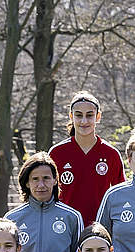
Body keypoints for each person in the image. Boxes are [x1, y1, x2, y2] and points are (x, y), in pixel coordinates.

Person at [5, 152, 82, 252]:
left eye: (46, 178)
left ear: (54, 180)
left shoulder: (72, 217)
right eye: (35, 179)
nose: (41, 185)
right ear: (27, 183)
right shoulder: (12, 218)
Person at [49, 91, 124, 226]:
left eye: (89, 115)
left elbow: (120, 196)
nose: (84, 121)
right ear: (71, 116)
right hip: (63, 227)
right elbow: (48, 195)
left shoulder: (111, 154)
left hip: (99, 230)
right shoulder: (56, 153)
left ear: (98, 117)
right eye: (79, 115)